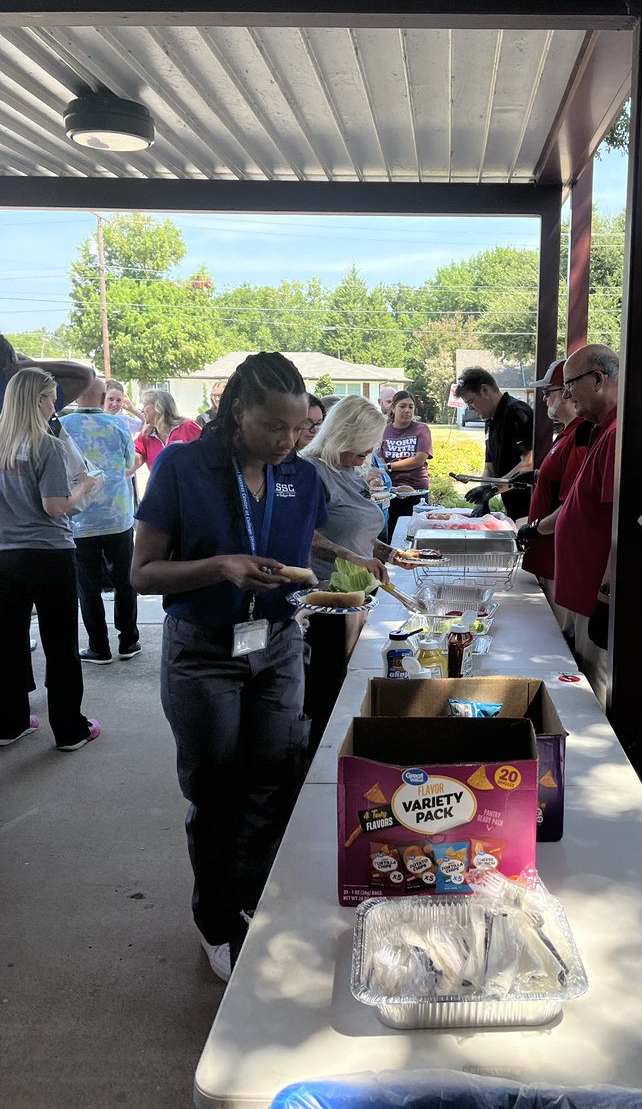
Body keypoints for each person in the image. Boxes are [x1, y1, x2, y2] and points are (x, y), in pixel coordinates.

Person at [131, 352, 332, 982]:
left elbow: (309, 543)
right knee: (215, 789)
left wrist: (363, 554)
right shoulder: (184, 467)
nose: (288, 440)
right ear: (236, 410)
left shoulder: (299, 474)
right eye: (275, 427)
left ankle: (257, 902)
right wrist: (219, 566)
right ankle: (216, 921)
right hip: (204, 651)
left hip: (277, 644)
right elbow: (141, 573)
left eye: (298, 429)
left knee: (273, 778)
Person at [554, 344, 642, 703]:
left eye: (570, 384)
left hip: (599, 600)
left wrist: (606, 596)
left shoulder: (622, 434)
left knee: (596, 699)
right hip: (585, 595)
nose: (567, 395)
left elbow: (630, 529)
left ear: (598, 379)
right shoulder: (605, 429)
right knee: (583, 688)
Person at [0, 368, 101, 751]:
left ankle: (9, 722)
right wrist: (84, 486)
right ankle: (70, 729)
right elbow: (56, 506)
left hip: (4, 557)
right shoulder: (48, 445)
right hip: (48, 555)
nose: (54, 404)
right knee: (60, 645)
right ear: (39, 401)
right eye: (51, 397)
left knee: (7, 643)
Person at [301, 396, 401, 758]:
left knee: (352, 680)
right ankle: (321, 760)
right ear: (343, 435)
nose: (366, 456)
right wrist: (350, 556)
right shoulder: (310, 471)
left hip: (357, 595)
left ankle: (349, 752)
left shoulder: (347, 470)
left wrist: (391, 553)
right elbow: (303, 533)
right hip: (327, 597)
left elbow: (357, 529)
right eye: (362, 449)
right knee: (327, 689)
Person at [62, 376, 141, 664]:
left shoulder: (62, 425)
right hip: (118, 515)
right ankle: (129, 641)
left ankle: (99, 646)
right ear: (101, 397)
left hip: (80, 517)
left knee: (89, 586)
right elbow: (130, 461)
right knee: (124, 580)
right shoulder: (118, 424)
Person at [516, 359, 591, 631]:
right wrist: (536, 477)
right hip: (548, 556)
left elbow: (572, 501)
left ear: (568, 392)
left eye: (549, 392)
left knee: (556, 635)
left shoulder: (583, 433)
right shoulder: (567, 432)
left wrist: (535, 529)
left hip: (560, 557)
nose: (545, 398)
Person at [456, 366, 533, 520]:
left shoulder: (516, 412)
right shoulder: (490, 420)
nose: (470, 408)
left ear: (484, 390)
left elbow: (529, 461)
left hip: (531, 505)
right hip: (512, 507)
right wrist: (483, 496)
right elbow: (489, 468)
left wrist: (493, 489)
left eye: (471, 401)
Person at [377, 390, 433, 538]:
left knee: (413, 534)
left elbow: (419, 459)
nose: (407, 410)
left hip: (416, 490)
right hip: (390, 491)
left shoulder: (421, 429)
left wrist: (390, 466)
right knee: (390, 533)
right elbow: (379, 458)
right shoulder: (383, 430)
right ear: (393, 408)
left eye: (410, 407)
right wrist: (384, 467)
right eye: (402, 406)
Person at [0, 333, 94, 412]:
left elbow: (87, 375)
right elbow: (86, 375)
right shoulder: (34, 394)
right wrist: (29, 365)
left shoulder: (33, 391)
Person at [133, 389, 201, 473]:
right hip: (161, 485)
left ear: (158, 407)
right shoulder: (146, 435)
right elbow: (132, 459)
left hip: (189, 484)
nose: (142, 410)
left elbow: (208, 455)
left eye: (145, 405)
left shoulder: (188, 427)